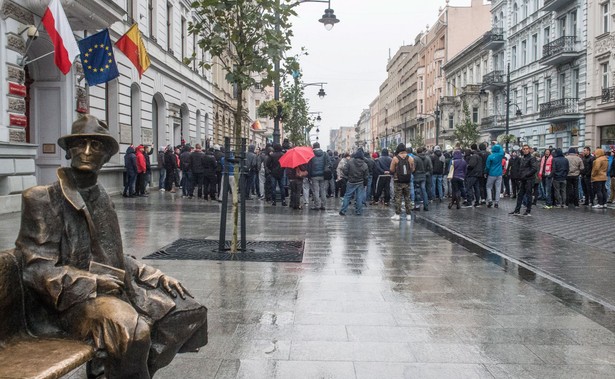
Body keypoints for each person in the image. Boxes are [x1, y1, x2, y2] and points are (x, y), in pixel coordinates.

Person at [15, 115, 207, 379]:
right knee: (134, 332)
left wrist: (155, 275)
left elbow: (113, 256)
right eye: (80, 144)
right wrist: (93, 283)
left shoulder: (101, 196)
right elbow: (36, 269)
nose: (86, 152)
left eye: (96, 146)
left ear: (106, 156)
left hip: (117, 289)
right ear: (69, 150)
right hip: (68, 302)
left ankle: (116, 370)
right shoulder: (42, 198)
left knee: (189, 311)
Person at [339, 148, 369, 216]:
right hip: (360, 182)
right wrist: (365, 183)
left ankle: (343, 210)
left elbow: (344, 170)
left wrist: (348, 176)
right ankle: (358, 211)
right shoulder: (364, 164)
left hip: (351, 181)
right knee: (359, 197)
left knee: (347, 196)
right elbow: (366, 176)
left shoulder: (350, 162)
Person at [389, 143, 415, 220]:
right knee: (407, 197)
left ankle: (397, 214)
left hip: (398, 180)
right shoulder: (410, 158)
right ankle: (408, 215)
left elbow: (392, 169)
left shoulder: (395, 158)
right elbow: (413, 169)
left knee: (398, 197)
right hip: (407, 180)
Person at [510, 145, 537, 216]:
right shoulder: (522, 158)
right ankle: (517, 210)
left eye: (526, 149)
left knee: (528, 195)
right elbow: (521, 169)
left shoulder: (531, 158)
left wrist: (526, 175)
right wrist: (520, 177)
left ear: (529, 150)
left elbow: (534, 168)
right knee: (520, 195)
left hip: (529, 179)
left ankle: (528, 211)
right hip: (523, 179)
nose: (525, 150)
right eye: (524, 149)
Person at [307, 142, 330, 211]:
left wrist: (309, 175)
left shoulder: (311, 154)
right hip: (323, 175)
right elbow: (328, 163)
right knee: (323, 190)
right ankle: (323, 205)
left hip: (314, 175)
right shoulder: (325, 154)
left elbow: (309, 166)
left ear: (313, 147)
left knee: (316, 191)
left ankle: (317, 205)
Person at [484, 144, 504, 208]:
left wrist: (485, 172)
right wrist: (498, 145)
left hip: (492, 173)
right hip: (499, 173)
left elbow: (487, 166)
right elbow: (502, 150)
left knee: (488, 187)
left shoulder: (490, 156)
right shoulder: (501, 155)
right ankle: (496, 202)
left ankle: (490, 200)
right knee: (498, 188)